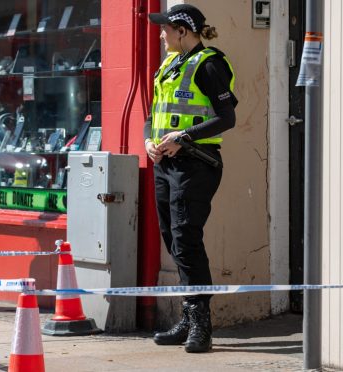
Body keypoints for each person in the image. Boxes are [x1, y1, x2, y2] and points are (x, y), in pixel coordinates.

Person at [145, 4, 238, 353]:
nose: (160, 34)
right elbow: (153, 115)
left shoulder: (210, 64)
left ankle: (201, 325)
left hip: (196, 165)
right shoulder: (169, 65)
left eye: (165, 29)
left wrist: (183, 138)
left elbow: (226, 118)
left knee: (186, 240)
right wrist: (148, 140)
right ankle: (187, 317)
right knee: (174, 241)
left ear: (183, 31)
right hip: (165, 164)